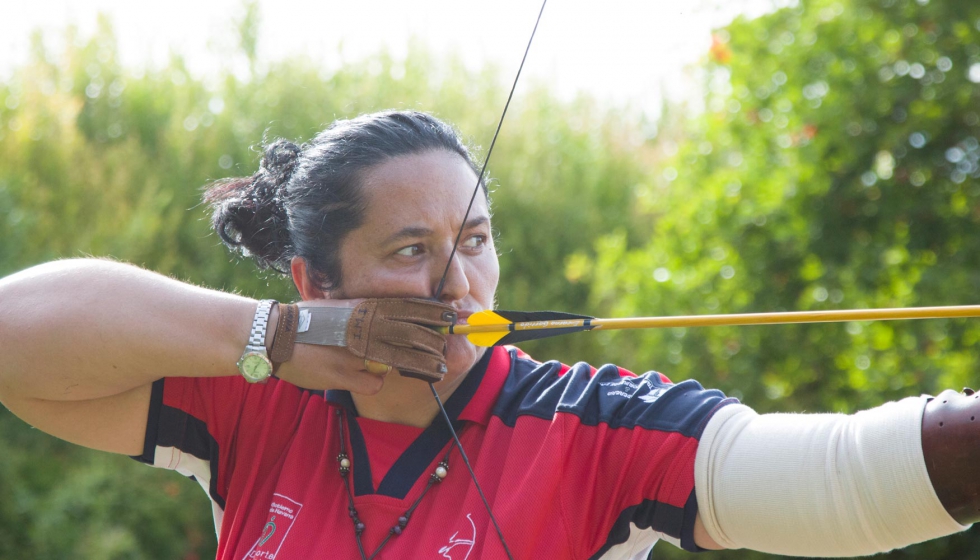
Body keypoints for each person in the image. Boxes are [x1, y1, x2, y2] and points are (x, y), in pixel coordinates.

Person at [0, 110, 975, 560]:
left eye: (472, 240)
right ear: (315, 280)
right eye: (410, 247)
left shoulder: (591, 426)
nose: (456, 281)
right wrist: (275, 334)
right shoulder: (264, 401)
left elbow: (847, 480)